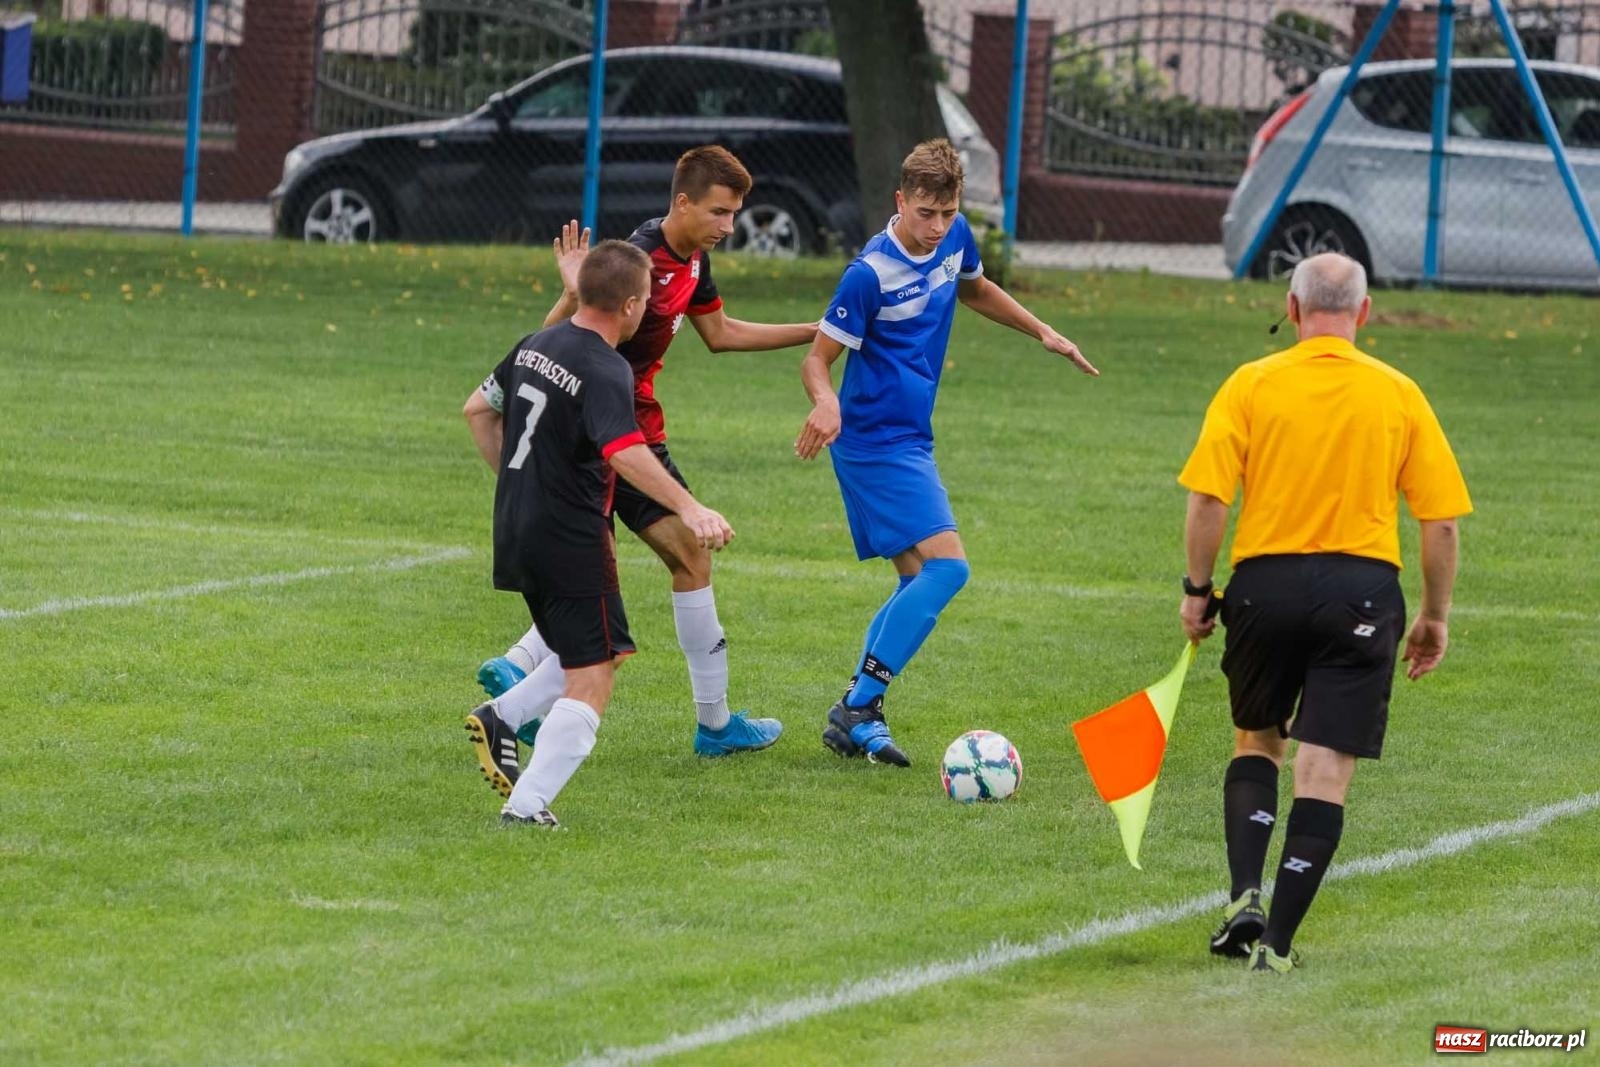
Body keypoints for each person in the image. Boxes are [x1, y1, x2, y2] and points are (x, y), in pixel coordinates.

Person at [474, 145, 816, 763]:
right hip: (611, 439)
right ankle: (702, 723)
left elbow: (720, 333)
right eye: (718, 212)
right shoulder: (637, 260)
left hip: (627, 433)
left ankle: (520, 673)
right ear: (682, 202)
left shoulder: (692, 261)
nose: (728, 227)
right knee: (649, 563)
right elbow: (567, 330)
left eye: (735, 213)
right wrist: (572, 290)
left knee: (621, 566)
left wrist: (819, 331)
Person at [1178, 252, 1471, 972]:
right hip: (1363, 592)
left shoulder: (1252, 382)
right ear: (1364, 313)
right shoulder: (1399, 393)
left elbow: (1210, 498)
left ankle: (1242, 894)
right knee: (1324, 770)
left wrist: (1196, 588)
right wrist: (1434, 615)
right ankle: (1276, 944)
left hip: (1264, 588)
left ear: (1294, 307)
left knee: (1256, 741)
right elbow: (1441, 525)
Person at [794, 138, 1097, 765]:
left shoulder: (954, 238)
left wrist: (1043, 331)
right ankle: (859, 704)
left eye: (948, 213)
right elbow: (817, 359)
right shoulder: (868, 274)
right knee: (947, 569)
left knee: (915, 578)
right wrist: (825, 401)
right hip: (874, 442)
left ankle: (857, 713)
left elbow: (975, 288)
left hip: (910, 437)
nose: (936, 228)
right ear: (900, 201)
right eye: (925, 213)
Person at [461, 240, 735, 826]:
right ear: (632, 306)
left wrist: (518, 481)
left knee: (588, 648)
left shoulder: (537, 344)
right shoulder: (607, 367)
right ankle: (527, 806)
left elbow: (478, 410)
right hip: (570, 537)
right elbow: (625, 451)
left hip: (514, 526)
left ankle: (501, 716)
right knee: (595, 675)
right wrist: (690, 507)